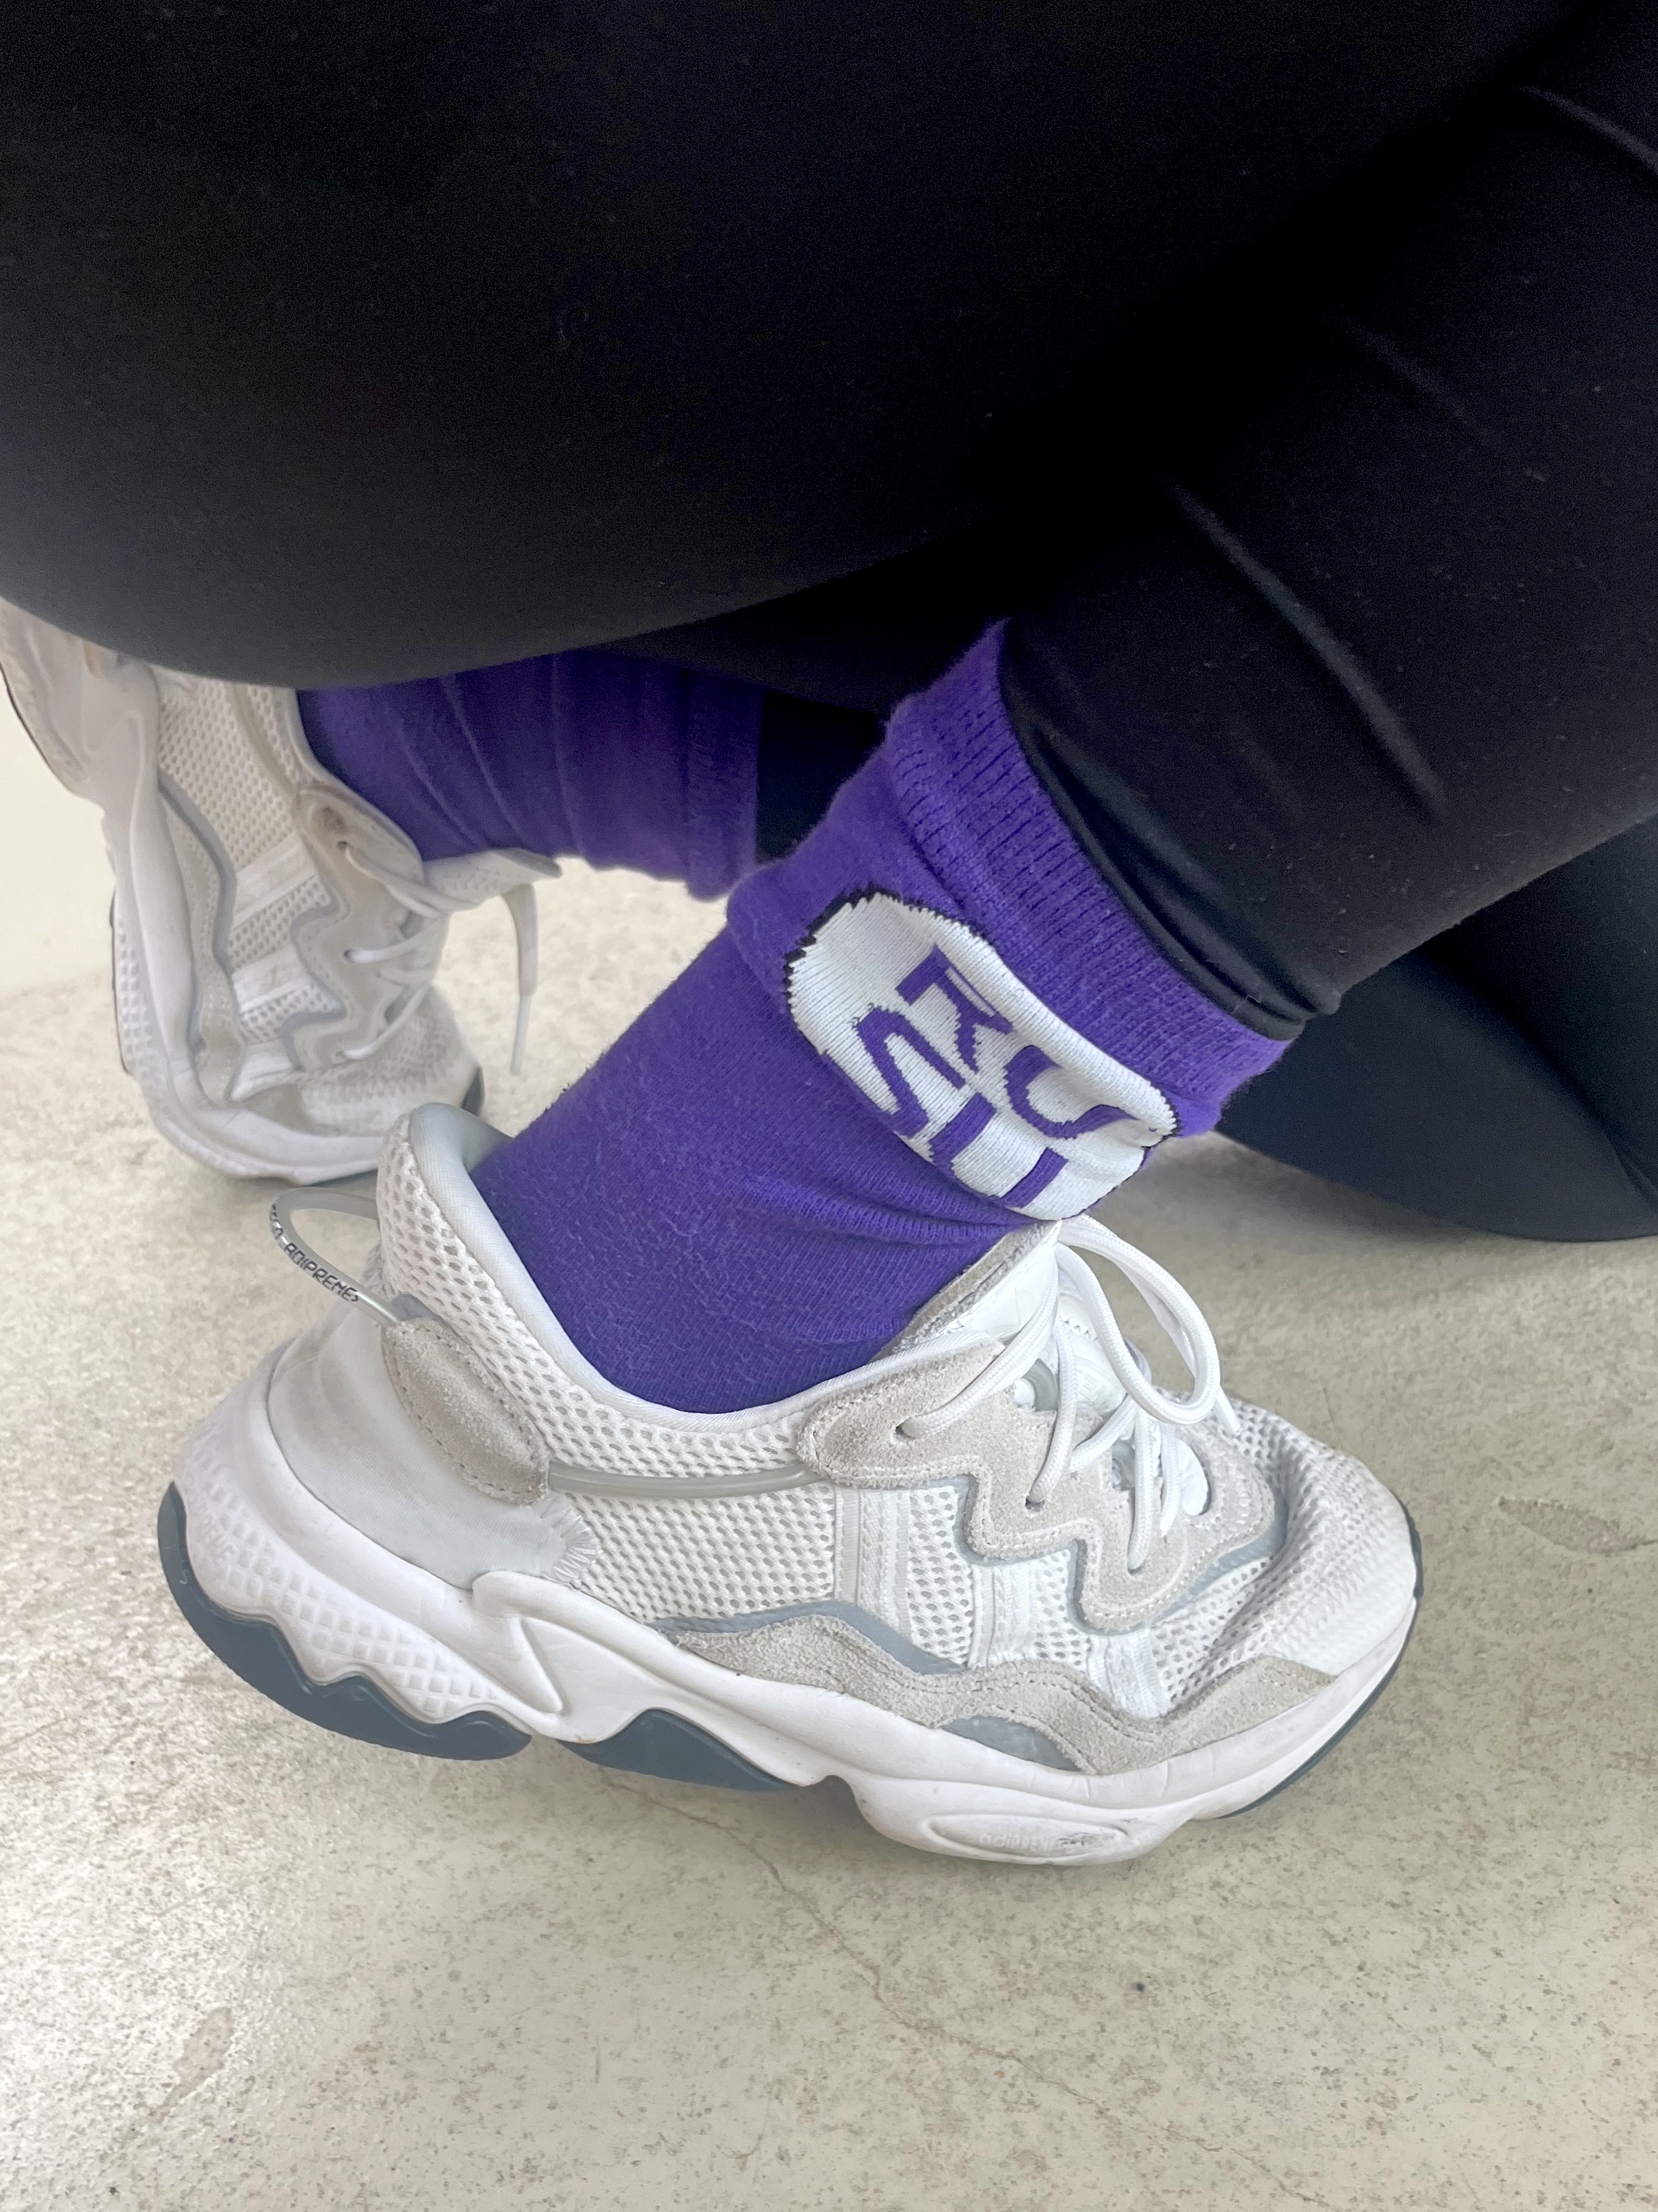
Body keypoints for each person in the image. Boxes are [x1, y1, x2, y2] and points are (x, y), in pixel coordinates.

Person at [2, 0, 1655, 1862]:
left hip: (221, 267)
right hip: (395, 157)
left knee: (1606, 1073)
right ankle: (695, 1316)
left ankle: (398, 742)